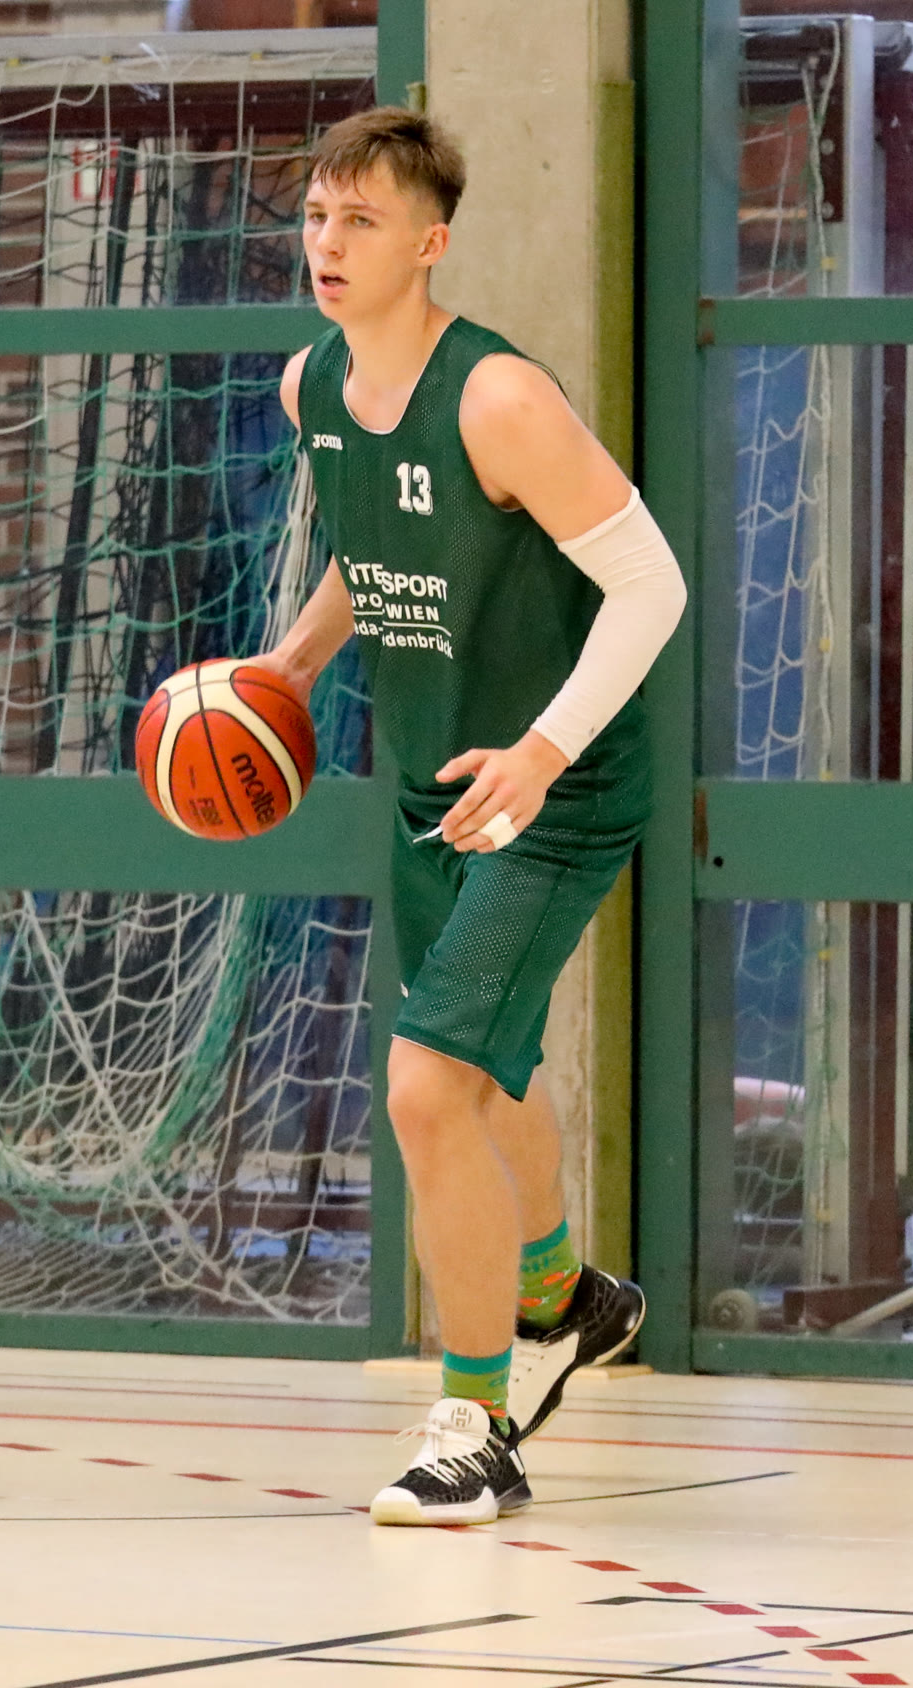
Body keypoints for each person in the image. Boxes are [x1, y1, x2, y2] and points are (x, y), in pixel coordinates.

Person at [258, 106, 686, 1525]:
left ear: (429, 244)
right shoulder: (313, 388)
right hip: (435, 783)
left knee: (426, 1087)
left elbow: (653, 585)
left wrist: (548, 752)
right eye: (317, 216)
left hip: (556, 792)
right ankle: (566, 1294)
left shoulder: (497, 399)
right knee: (491, 1071)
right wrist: (292, 665)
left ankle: (474, 1427)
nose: (328, 243)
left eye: (361, 220)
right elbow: (376, 549)